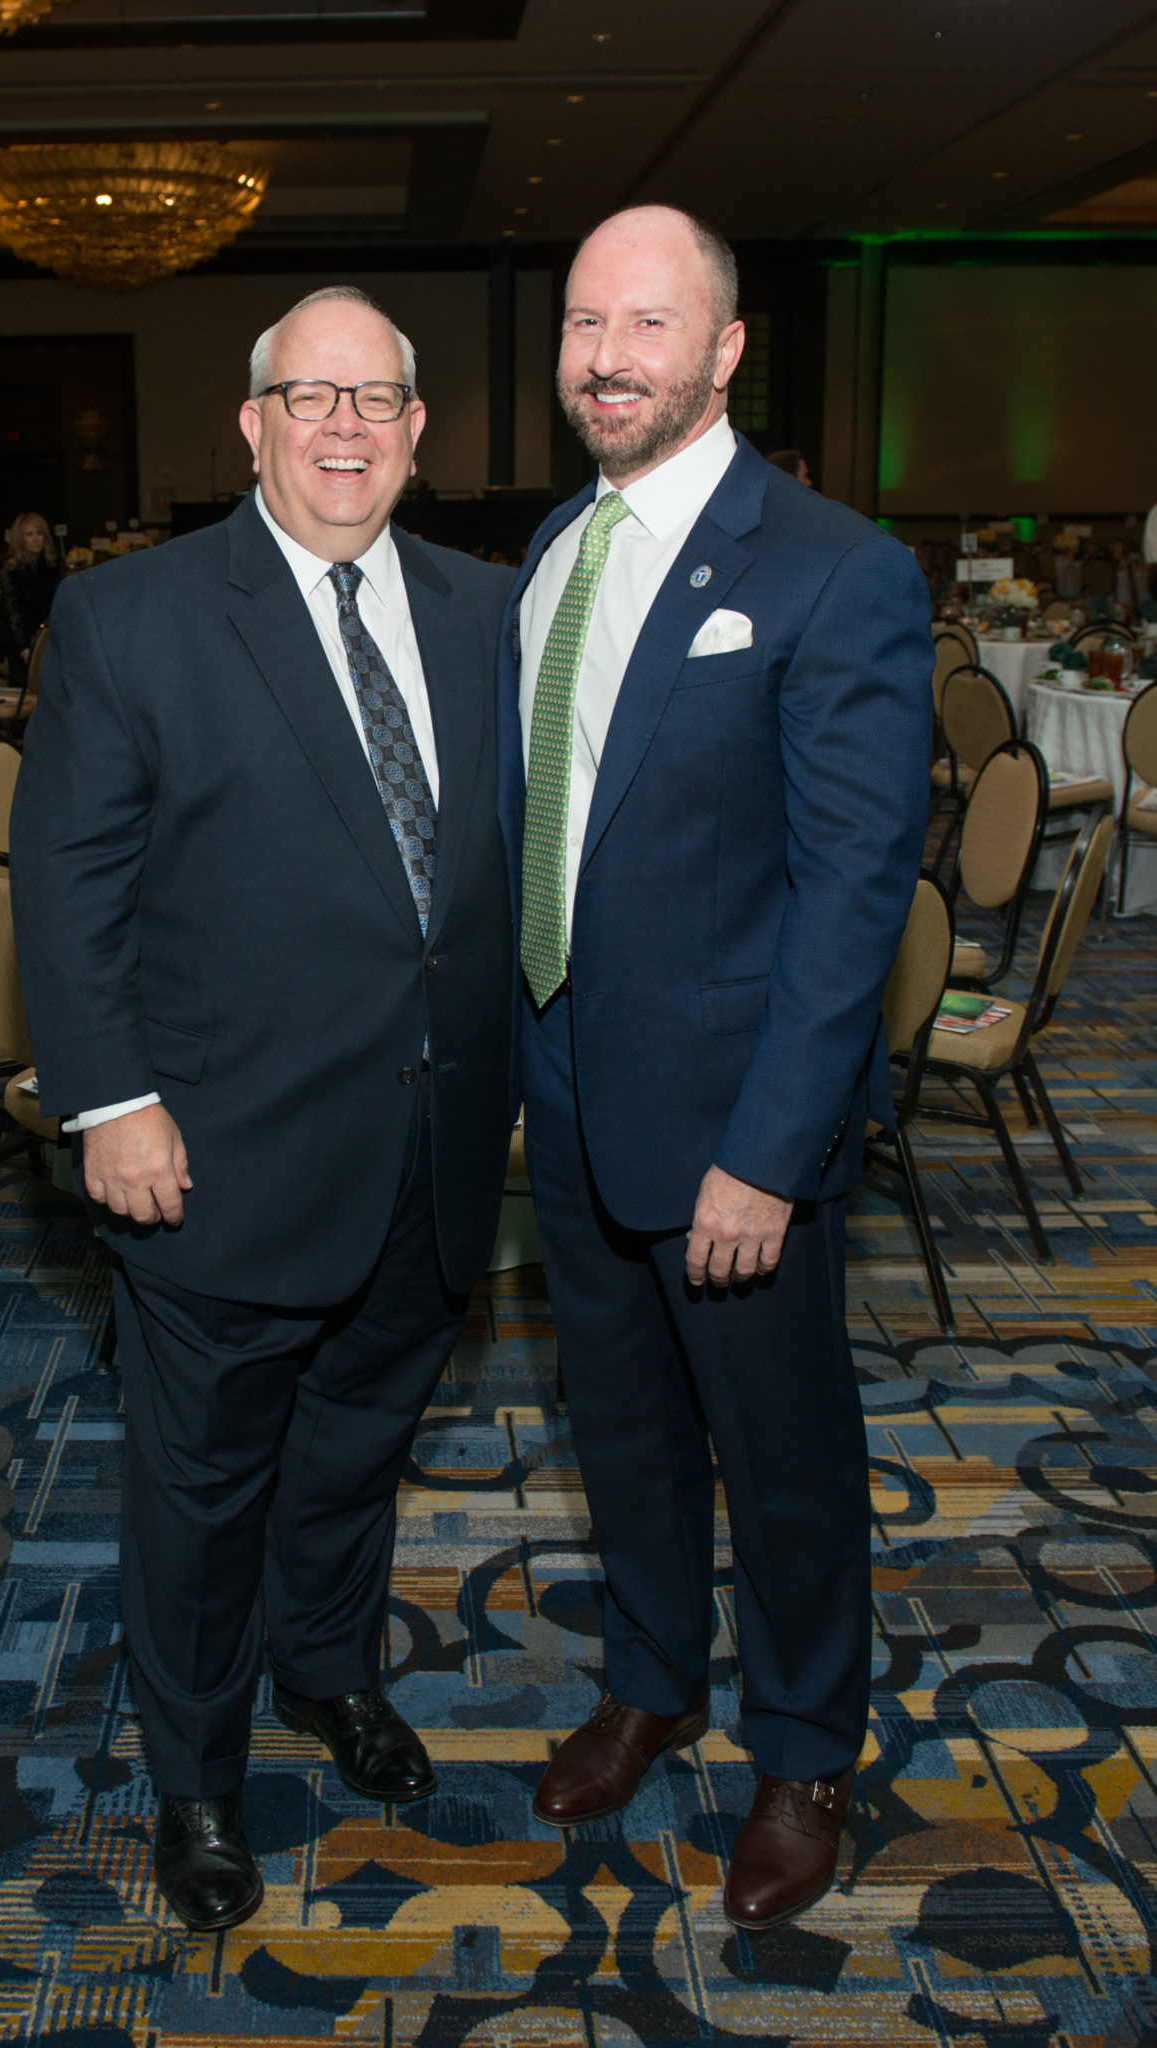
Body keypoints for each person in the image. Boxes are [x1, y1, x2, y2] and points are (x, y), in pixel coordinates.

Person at [10, 287, 514, 1933]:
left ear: (418, 430)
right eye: (312, 395)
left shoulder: (488, 612)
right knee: (203, 1492)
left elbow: (493, 888)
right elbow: (69, 882)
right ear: (253, 423)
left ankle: (329, 1669)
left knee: (357, 1454)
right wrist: (111, 1098)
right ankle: (196, 1774)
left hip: (431, 1155)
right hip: (215, 1156)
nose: (347, 425)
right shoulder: (134, 614)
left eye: (378, 397)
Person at [496, 207, 930, 1927]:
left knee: (789, 1460)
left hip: (737, 1136)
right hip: (573, 1100)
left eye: (647, 324)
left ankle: (807, 1741)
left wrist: (766, 1149)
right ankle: (653, 1669)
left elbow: (850, 899)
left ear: (724, 348)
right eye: (583, 322)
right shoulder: (550, 547)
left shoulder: (833, 566)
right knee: (621, 1437)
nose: (604, 355)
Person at [0, 512, 61, 683]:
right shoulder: (11, 568)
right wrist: (24, 646)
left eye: (39, 533)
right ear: (20, 539)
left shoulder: (53, 564)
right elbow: (13, 612)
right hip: (16, 635)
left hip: (45, 632)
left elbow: (56, 604)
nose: (36, 539)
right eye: (29, 534)